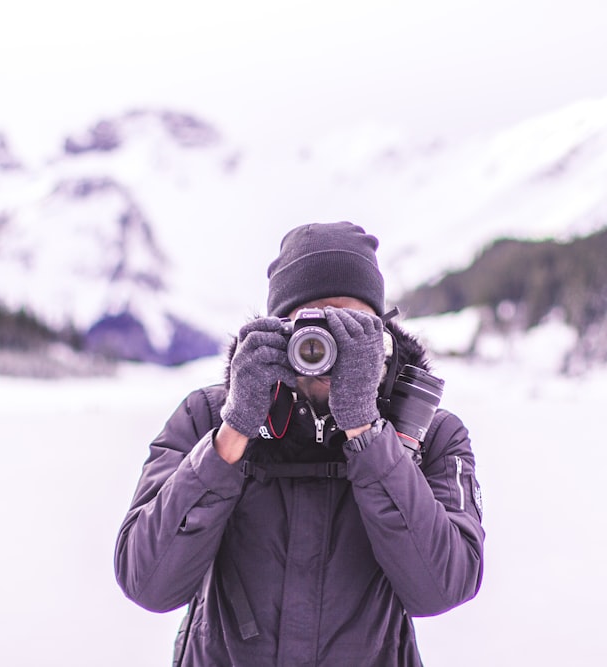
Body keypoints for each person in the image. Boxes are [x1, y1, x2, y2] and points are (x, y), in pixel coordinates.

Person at [115, 221, 485, 666]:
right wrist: (233, 434)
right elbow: (148, 582)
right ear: (275, 331)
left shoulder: (430, 436)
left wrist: (366, 432)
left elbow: (442, 587)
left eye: (351, 328)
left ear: (380, 340)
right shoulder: (206, 419)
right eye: (308, 327)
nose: (325, 348)